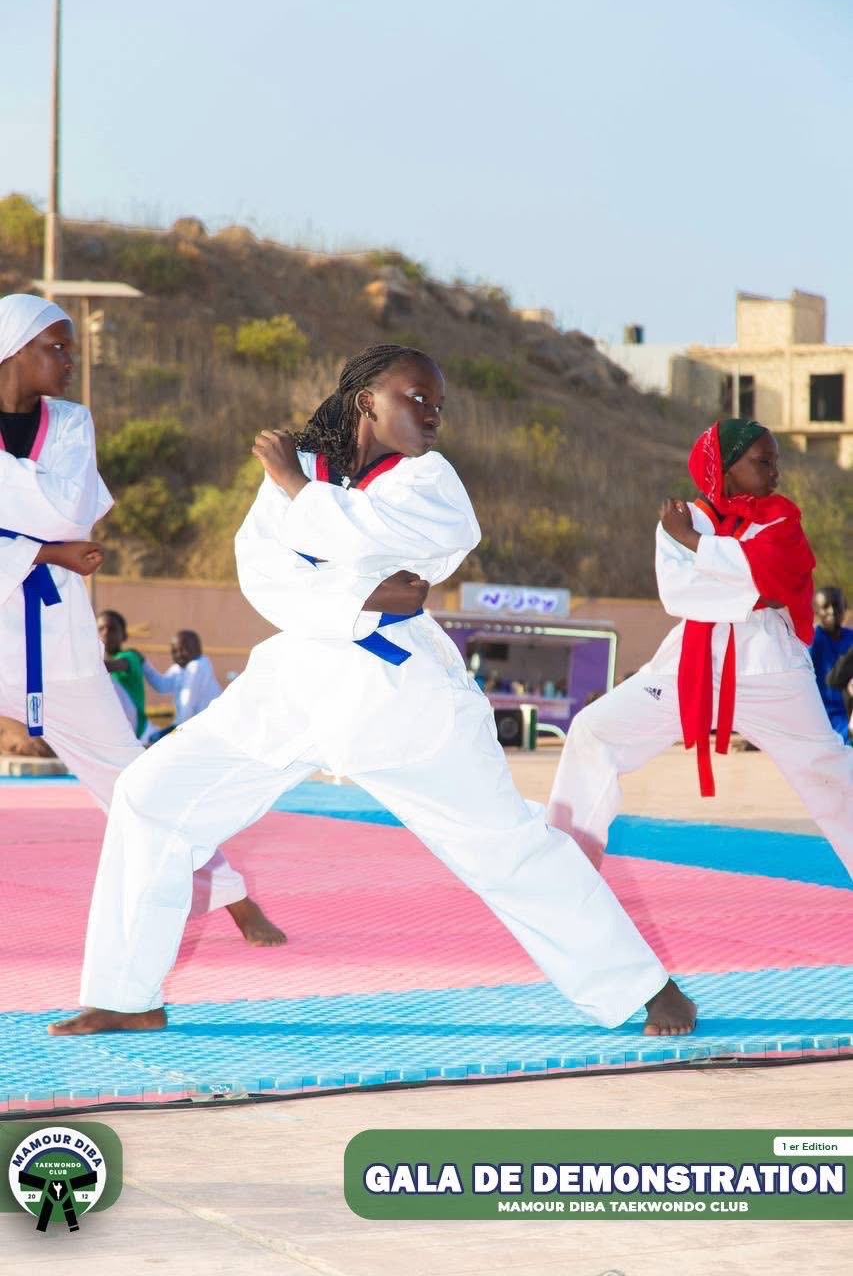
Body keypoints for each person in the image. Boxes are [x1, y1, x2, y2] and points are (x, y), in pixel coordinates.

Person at [49, 343, 695, 1038]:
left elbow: (427, 561)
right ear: (367, 401)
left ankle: (648, 989)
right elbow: (265, 576)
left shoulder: (424, 477)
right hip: (295, 682)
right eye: (416, 398)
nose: (432, 414)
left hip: (403, 697)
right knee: (152, 795)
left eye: (438, 404)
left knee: (503, 846)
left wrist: (301, 495)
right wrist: (363, 589)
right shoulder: (303, 472)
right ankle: (126, 993)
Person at [0, 292, 283, 946]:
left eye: (72, 346)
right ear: (13, 349)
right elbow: (52, 529)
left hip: (58, 647)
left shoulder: (71, 425)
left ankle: (233, 898)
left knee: (134, 779)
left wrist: (35, 535)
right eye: (57, 347)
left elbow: (68, 515)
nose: (71, 360)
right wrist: (43, 550)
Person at [548, 418, 853, 876]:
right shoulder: (682, 516)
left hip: (773, 670)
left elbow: (780, 575)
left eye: (776, 461)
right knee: (594, 731)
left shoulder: (777, 518)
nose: (776, 472)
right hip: (689, 664)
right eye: (763, 461)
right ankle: (565, 869)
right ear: (727, 468)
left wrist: (696, 547)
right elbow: (679, 594)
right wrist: (755, 592)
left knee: (828, 771)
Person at [143, 629, 222, 741]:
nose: (179, 654)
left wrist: (176, 736)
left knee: (154, 742)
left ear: (198, 649)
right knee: (152, 740)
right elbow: (162, 686)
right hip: (187, 726)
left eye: (185, 649)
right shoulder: (179, 668)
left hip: (203, 729)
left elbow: (187, 705)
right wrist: (144, 665)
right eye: (174, 651)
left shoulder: (197, 666)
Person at [809, 587, 853, 743]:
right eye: (825, 607)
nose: (832, 611)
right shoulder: (811, 640)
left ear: (845, 607)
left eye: (836, 605)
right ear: (816, 611)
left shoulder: (851, 638)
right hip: (824, 717)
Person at [97, 608, 149, 740]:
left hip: (132, 727)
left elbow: (111, 666)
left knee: (101, 676)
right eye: (100, 629)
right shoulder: (95, 662)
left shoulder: (130, 656)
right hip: (108, 726)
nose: (106, 633)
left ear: (124, 635)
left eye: (112, 629)